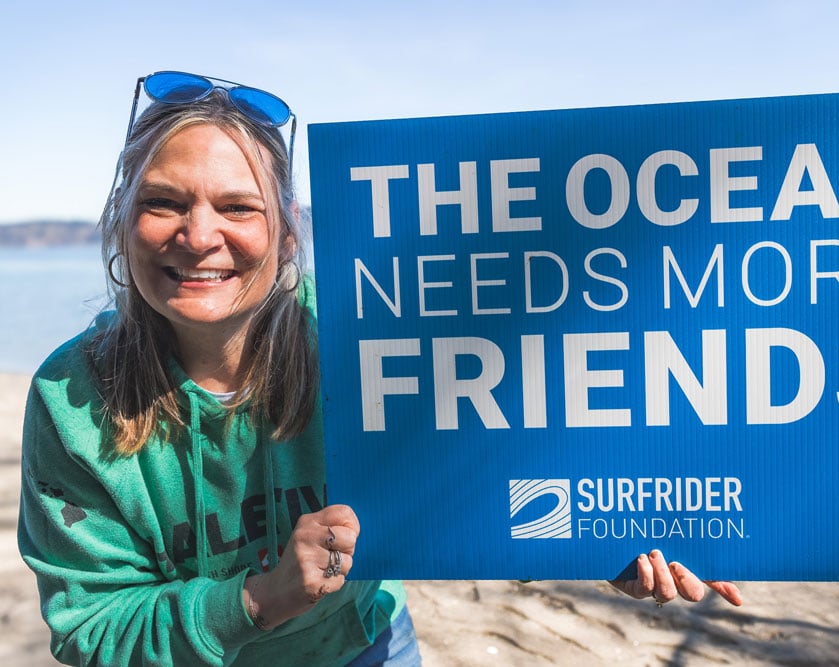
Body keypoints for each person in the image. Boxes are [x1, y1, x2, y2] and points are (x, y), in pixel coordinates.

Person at [18, 70, 741, 667]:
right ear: (121, 217)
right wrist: (257, 599)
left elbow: (484, 467)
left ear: (285, 229)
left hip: (366, 646)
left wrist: (601, 533)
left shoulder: (365, 331)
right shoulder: (73, 398)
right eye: (163, 203)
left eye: (238, 206)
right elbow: (94, 627)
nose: (199, 235)